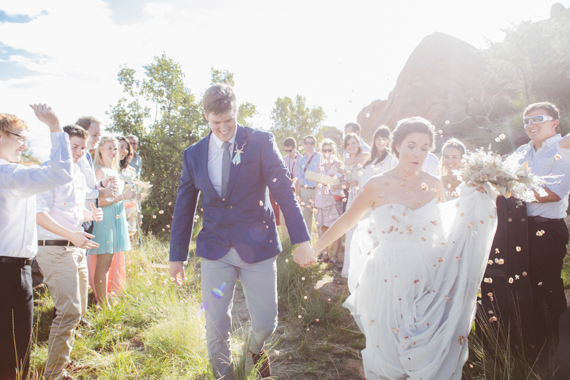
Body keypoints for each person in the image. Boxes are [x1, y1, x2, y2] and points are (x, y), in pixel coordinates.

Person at [307, 117, 499, 380]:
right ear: (396, 146)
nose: (418, 153)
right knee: (389, 347)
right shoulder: (376, 184)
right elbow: (348, 220)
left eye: (425, 147)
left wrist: (476, 202)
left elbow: (441, 231)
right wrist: (315, 248)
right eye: (411, 145)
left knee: (425, 345)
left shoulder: (435, 184)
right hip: (388, 274)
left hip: (429, 273)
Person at [169, 83, 314, 379]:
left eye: (229, 121)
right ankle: (225, 375)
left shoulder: (260, 141)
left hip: (257, 248)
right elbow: (184, 207)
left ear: (237, 111)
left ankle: (254, 349)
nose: (223, 129)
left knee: (265, 322)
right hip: (214, 249)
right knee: (216, 322)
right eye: (216, 123)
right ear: (206, 117)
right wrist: (176, 256)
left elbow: (283, 191)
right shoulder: (193, 154)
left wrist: (302, 239)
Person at [0, 105, 73, 380]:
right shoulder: (8, 175)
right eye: (19, 137)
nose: (24, 144)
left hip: (14, 269)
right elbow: (60, 173)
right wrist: (55, 126)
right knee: (14, 356)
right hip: (8, 275)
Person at [35, 125, 103, 380]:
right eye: (73, 146)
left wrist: (90, 214)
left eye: (82, 148)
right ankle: (53, 372)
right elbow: (39, 214)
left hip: (75, 249)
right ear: (60, 145)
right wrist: (71, 235)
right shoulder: (47, 171)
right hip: (54, 249)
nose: (78, 152)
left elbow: (73, 211)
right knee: (69, 311)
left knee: (80, 309)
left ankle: (63, 360)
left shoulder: (75, 173)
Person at [511, 102, 570, 355]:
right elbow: (502, 179)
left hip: (547, 230)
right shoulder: (523, 151)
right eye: (526, 121)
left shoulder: (564, 148)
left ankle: (562, 348)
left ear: (554, 122)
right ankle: (539, 346)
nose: (530, 124)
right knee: (527, 289)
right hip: (518, 229)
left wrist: (514, 193)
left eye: (538, 118)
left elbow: (554, 193)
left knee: (549, 288)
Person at [88, 137, 135, 307]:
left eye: (115, 149)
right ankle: (102, 304)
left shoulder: (113, 171)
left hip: (116, 219)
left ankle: (106, 299)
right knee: (103, 265)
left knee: (108, 264)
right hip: (105, 221)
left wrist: (126, 201)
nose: (113, 152)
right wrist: (123, 197)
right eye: (109, 148)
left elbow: (114, 199)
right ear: (100, 149)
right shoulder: (100, 171)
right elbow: (98, 201)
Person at [341, 132, 370, 277]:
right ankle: (351, 269)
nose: (351, 146)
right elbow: (347, 184)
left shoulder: (367, 158)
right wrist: (339, 186)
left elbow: (372, 177)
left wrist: (360, 181)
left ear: (358, 143)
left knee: (364, 228)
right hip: (352, 197)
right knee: (351, 228)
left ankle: (365, 268)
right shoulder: (346, 162)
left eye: (354, 143)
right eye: (348, 144)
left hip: (364, 195)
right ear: (345, 147)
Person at [314, 139, 344, 263]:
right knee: (324, 227)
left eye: (329, 150)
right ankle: (325, 253)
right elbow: (317, 184)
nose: (327, 152)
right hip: (321, 199)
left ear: (333, 150)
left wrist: (334, 183)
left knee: (335, 227)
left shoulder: (339, 164)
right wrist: (314, 201)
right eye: (324, 150)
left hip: (333, 199)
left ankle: (335, 255)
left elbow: (343, 182)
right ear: (322, 151)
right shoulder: (319, 166)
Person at [296, 135, 321, 237]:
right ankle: (308, 249)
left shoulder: (320, 157)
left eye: (311, 143)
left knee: (319, 222)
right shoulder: (301, 160)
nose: (309, 145)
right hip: (304, 191)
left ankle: (323, 251)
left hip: (318, 191)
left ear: (315, 145)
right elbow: (299, 179)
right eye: (307, 143)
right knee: (306, 222)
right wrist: (298, 195)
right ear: (304, 145)